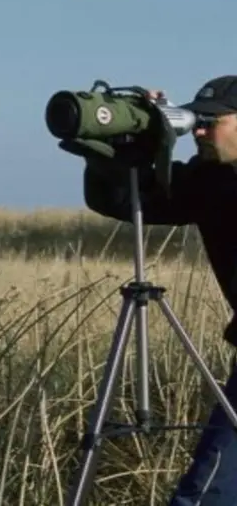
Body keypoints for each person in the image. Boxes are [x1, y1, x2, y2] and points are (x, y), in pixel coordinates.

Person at [82, 76, 237, 505]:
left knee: (208, 493)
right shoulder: (212, 181)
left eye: (211, 122)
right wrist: (128, 147)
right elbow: (131, 201)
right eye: (195, 122)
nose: (200, 132)